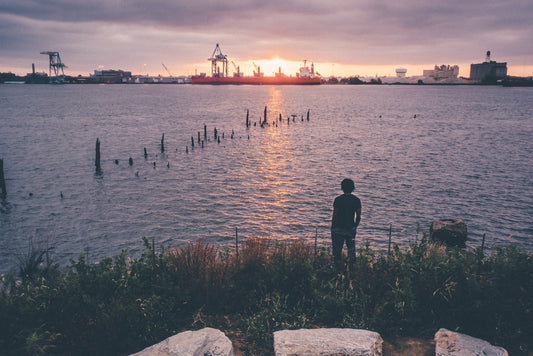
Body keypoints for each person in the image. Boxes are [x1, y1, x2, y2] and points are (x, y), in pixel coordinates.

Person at [331, 178, 362, 267]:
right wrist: (355, 226)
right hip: (350, 228)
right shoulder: (356, 200)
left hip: (338, 228)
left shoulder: (338, 199)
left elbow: (335, 215)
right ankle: (351, 271)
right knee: (351, 252)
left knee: (337, 253)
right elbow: (358, 216)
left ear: (342, 187)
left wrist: (332, 227)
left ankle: (337, 271)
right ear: (352, 188)